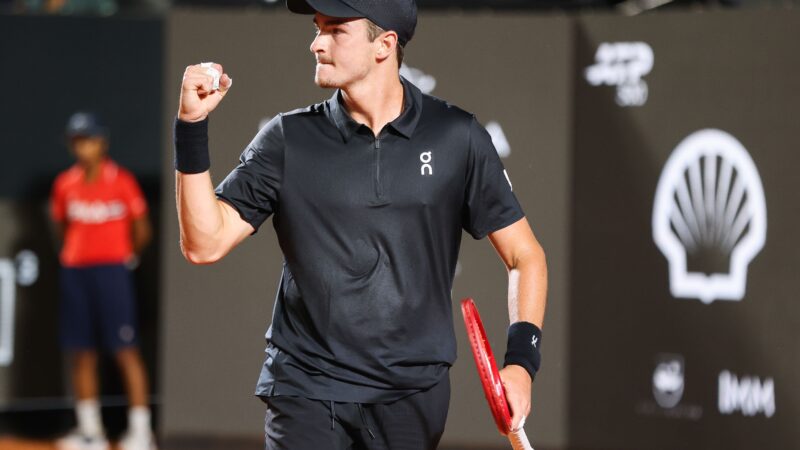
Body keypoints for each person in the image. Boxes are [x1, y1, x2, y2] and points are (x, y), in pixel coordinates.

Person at [173, 0, 548, 448]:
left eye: (335, 30)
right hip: (305, 386)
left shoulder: (457, 137)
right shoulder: (286, 139)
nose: (316, 44)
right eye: (317, 28)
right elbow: (204, 244)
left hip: (412, 395)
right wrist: (190, 128)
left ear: (384, 45)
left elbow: (526, 257)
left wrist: (521, 365)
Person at [50, 112, 156, 450]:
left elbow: (142, 230)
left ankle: (140, 432)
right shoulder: (65, 184)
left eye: (90, 139)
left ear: (103, 143)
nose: (85, 147)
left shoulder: (122, 182)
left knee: (125, 351)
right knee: (81, 353)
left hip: (112, 273)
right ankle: (89, 431)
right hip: (76, 273)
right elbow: (62, 227)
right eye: (78, 140)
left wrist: (125, 256)